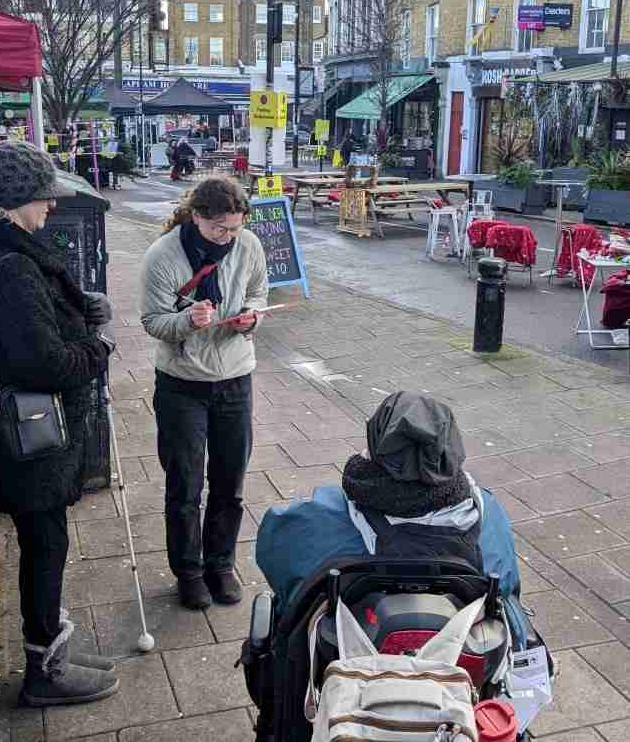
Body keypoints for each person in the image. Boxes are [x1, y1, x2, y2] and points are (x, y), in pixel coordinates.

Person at [0, 142, 119, 707]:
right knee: (45, 546)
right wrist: (98, 347)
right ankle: (44, 670)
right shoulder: (13, 264)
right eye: (44, 194)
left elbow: (33, 327)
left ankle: (51, 648)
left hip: (16, 436)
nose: (52, 204)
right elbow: (45, 363)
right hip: (30, 439)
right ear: (15, 201)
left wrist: (79, 309)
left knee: (45, 543)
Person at [256, 391, 530, 644]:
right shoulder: (486, 515)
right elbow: (507, 585)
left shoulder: (321, 519)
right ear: (451, 452)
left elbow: (274, 555)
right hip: (457, 666)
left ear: (375, 444)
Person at [139, 178, 269, 610]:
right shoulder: (163, 255)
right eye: (218, 228)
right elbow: (153, 321)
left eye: (233, 228)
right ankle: (189, 572)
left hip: (235, 377)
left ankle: (221, 564)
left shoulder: (248, 245)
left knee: (230, 481)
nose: (227, 236)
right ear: (196, 216)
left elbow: (257, 294)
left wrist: (251, 318)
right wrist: (187, 323)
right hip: (181, 383)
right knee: (185, 485)